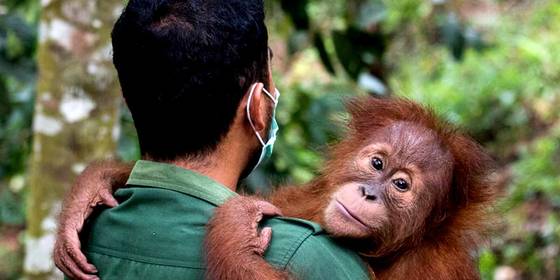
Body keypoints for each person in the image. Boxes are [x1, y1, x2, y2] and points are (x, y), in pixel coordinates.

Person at [53, 0, 370, 279]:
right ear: (257, 106)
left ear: (127, 98)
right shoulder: (309, 261)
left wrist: (104, 174)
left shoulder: (87, 233)